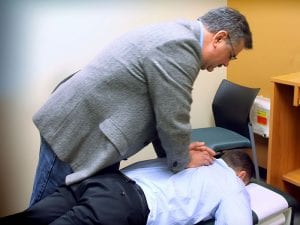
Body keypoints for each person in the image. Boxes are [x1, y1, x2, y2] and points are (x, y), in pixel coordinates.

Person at [29, 6, 253, 206]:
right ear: (220, 38)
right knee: (46, 211)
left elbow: (162, 109)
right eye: (231, 56)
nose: (225, 63)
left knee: (75, 210)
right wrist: (183, 158)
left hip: (96, 135)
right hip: (76, 134)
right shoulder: (181, 46)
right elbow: (173, 116)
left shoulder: (178, 36)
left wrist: (179, 151)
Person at [0, 150, 255, 225]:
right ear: (241, 175)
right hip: (122, 203)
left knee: (29, 218)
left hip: (97, 180)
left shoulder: (190, 156)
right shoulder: (232, 184)